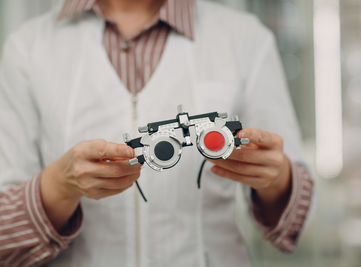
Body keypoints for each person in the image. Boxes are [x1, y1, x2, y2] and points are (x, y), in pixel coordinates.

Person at [0, 0, 314, 266]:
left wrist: (276, 179)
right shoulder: (28, 49)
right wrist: (60, 185)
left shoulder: (245, 39)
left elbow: (299, 223)